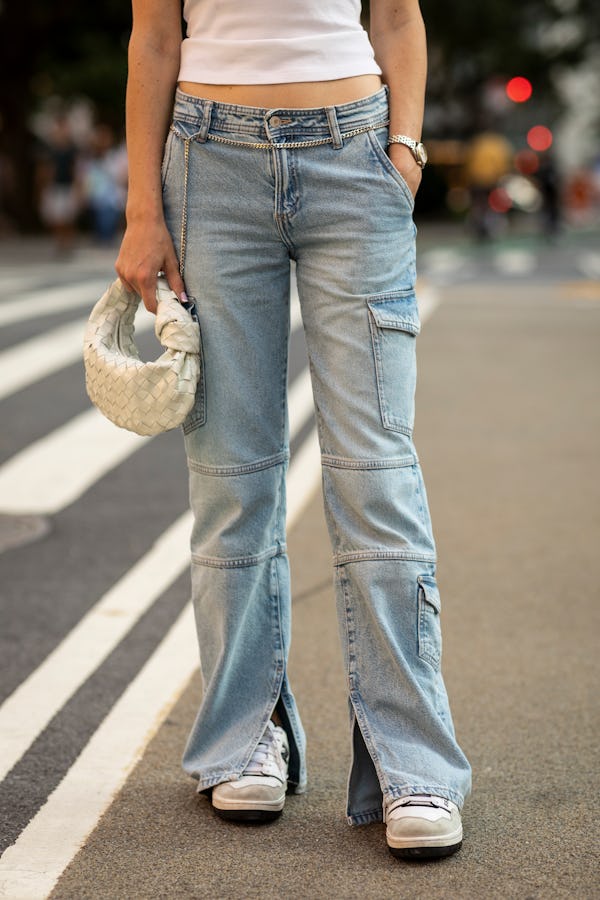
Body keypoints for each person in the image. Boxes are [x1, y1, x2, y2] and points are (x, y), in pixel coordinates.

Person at [116, 0, 471, 860]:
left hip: (357, 154)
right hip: (208, 164)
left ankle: (413, 763)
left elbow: (397, 16)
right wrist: (140, 212)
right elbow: (156, 36)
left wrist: (405, 153)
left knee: (375, 469)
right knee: (231, 475)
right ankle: (245, 737)